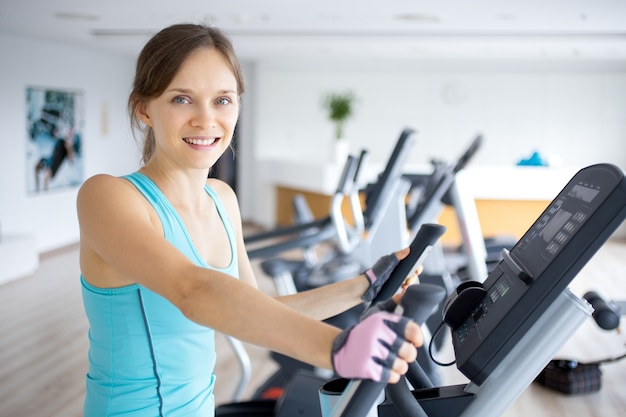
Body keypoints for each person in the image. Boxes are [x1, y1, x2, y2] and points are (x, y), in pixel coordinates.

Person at [77, 23, 424, 417]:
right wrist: (337, 347)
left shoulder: (222, 199)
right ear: (144, 108)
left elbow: (258, 309)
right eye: (181, 99)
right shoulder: (108, 196)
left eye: (222, 100)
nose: (206, 120)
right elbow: (194, 290)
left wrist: (364, 287)